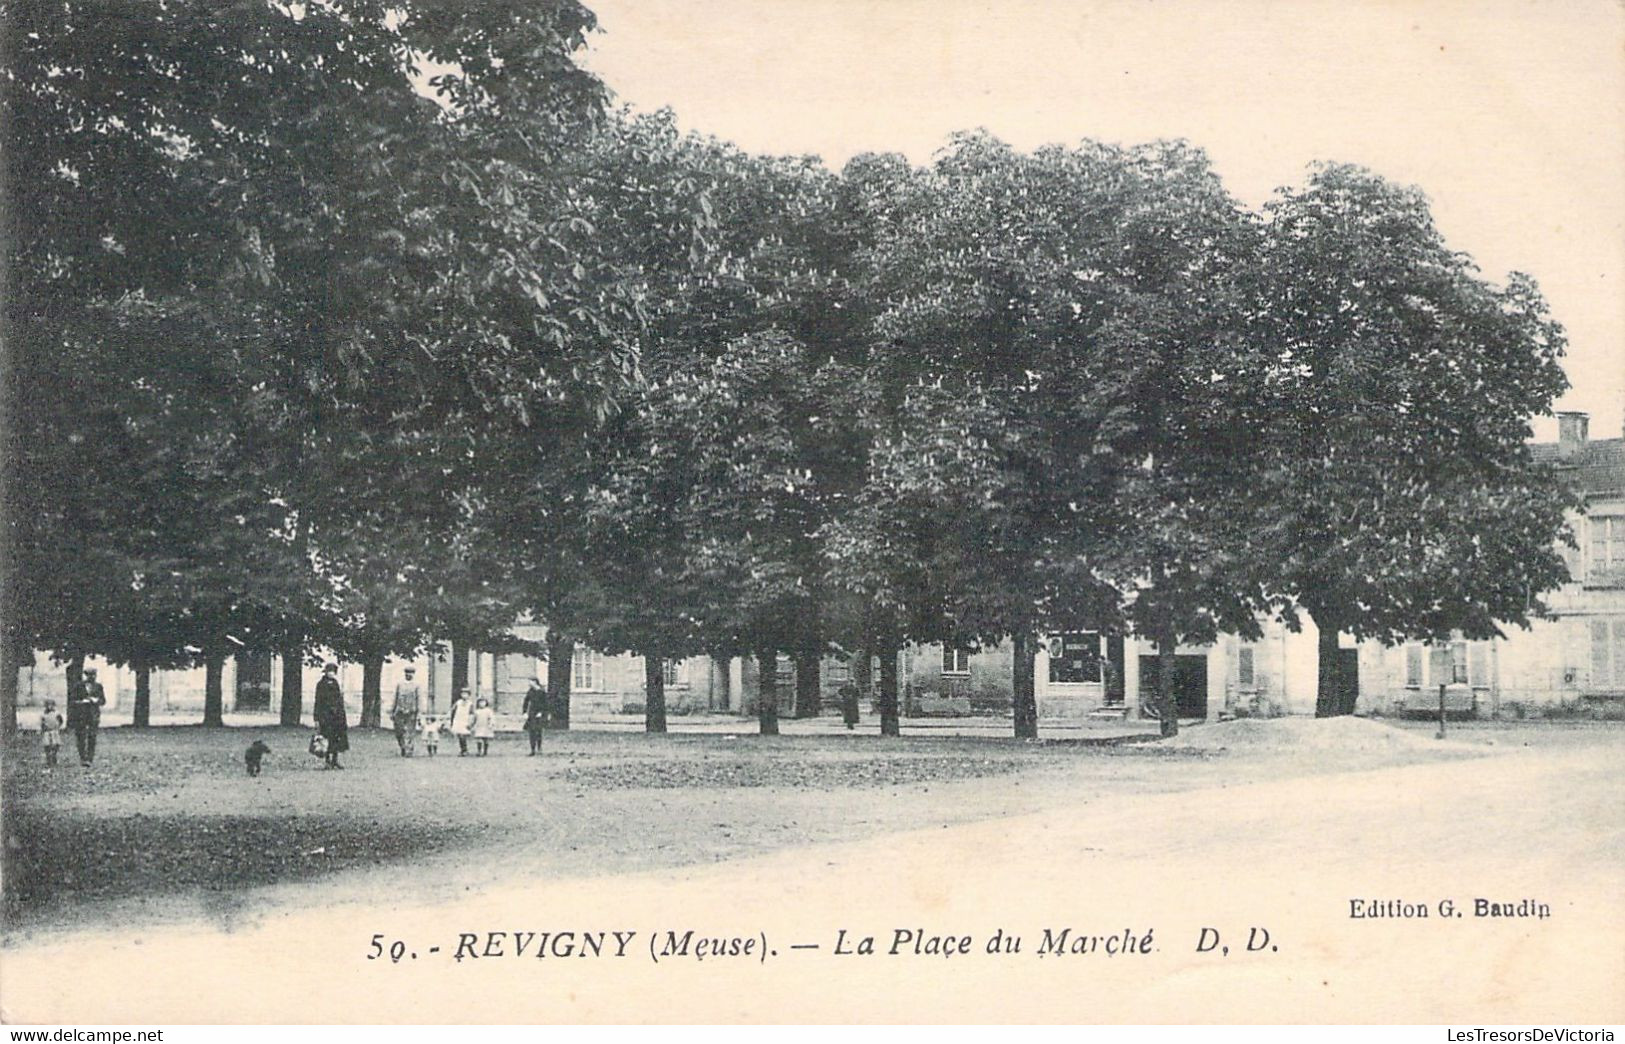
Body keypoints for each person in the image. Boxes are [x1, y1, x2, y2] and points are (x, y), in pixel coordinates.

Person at [313, 663, 350, 769]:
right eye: (330, 671)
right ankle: (327, 761)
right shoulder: (321, 684)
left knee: (336, 738)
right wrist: (316, 718)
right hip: (326, 716)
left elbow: (339, 700)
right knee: (326, 739)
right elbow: (318, 701)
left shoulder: (335, 683)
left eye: (333, 671)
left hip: (337, 717)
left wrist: (342, 714)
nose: (331, 673)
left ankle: (335, 760)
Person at [69, 668, 106, 767]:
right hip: (81, 715)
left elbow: (103, 701)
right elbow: (72, 701)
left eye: (94, 675)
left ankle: (90, 758)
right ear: (86, 675)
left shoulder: (98, 687)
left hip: (93, 715)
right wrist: (82, 702)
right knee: (81, 736)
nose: (92, 677)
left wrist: (96, 700)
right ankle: (83, 757)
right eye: (90, 675)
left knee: (92, 736)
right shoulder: (78, 686)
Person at [389, 666, 422, 757]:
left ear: (413, 674)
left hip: (411, 711)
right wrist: (392, 711)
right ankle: (403, 746)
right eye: (407, 673)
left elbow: (419, 699)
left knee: (410, 732)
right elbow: (395, 698)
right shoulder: (400, 684)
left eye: (410, 673)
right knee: (399, 731)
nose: (408, 674)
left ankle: (409, 749)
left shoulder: (416, 685)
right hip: (399, 711)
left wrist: (419, 713)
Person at [522, 678, 547, 755]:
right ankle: (532, 749)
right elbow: (526, 702)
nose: (529, 683)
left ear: (535, 682)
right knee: (531, 732)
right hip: (532, 713)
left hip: (539, 714)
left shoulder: (542, 692)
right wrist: (525, 712)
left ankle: (539, 748)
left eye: (531, 681)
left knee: (539, 731)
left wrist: (541, 712)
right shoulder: (530, 691)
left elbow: (545, 704)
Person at [447, 689, 473, 756]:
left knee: (463, 735)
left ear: (469, 695)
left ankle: (465, 750)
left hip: (465, 720)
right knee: (459, 735)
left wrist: (470, 722)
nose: (464, 695)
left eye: (466, 694)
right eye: (463, 694)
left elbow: (471, 713)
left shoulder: (470, 703)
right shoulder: (458, 702)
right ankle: (462, 749)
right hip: (458, 719)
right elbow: (452, 710)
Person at [39, 700, 63, 770]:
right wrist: (43, 728)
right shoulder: (43, 714)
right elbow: (42, 723)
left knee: (56, 745)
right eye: (48, 705)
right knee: (47, 746)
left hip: (55, 731)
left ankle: (54, 756)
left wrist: (57, 726)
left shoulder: (57, 713)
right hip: (47, 731)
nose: (50, 707)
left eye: (51, 705)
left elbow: (61, 721)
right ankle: (48, 759)